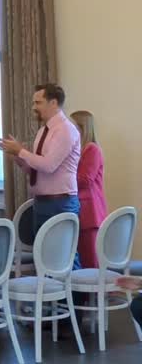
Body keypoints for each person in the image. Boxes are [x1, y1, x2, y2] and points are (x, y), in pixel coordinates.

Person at [0, 83, 81, 266]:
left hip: (60, 202)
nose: (33, 107)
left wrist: (21, 151)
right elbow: (36, 169)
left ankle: (74, 286)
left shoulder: (65, 130)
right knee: (44, 258)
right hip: (42, 201)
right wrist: (19, 158)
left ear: (53, 103)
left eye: (38, 102)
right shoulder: (43, 130)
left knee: (64, 257)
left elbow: (49, 165)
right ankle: (50, 287)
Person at [70, 110, 108, 269]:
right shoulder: (79, 150)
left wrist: (63, 176)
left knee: (90, 263)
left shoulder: (92, 149)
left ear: (82, 128)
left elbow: (85, 180)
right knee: (81, 263)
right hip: (82, 210)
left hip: (89, 212)